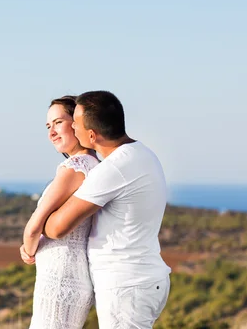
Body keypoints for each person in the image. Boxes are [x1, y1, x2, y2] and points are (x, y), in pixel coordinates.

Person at [41, 90, 172, 328]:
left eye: (75, 125)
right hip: (146, 279)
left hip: (126, 287)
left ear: (91, 135)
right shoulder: (142, 153)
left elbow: (57, 228)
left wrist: (42, 220)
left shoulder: (113, 169)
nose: (73, 130)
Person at [21, 95, 100, 329]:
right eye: (48, 126)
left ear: (78, 122)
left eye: (58, 123)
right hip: (71, 275)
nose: (51, 132)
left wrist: (28, 248)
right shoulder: (94, 165)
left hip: (60, 277)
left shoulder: (75, 167)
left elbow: (35, 225)